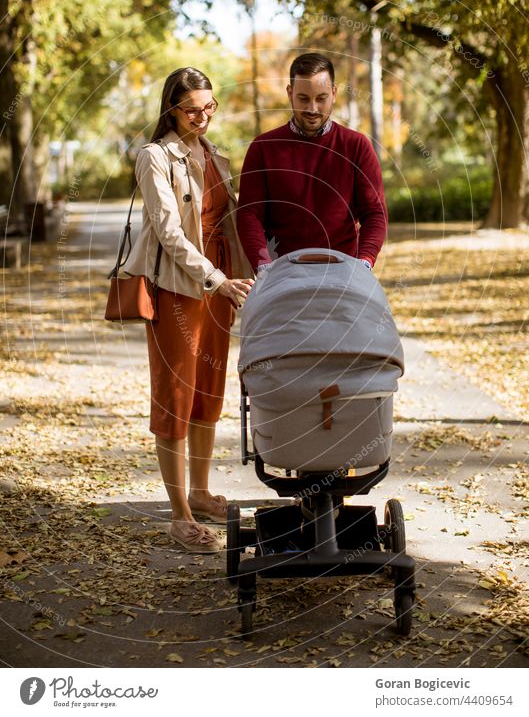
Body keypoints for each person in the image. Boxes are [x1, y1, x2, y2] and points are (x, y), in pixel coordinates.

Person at [123, 67, 254, 553]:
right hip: (179, 288)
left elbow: (234, 218)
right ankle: (178, 516)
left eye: (209, 107)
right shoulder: (154, 157)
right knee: (174, 400)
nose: (203, 117)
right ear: (170, 109)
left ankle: (199, 493)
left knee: (206, 394)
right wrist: (216, 279)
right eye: (192, 109)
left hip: (220, 288)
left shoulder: (215, 154)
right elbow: (167, 231)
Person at [236, 52, 387, 273]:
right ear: (290, 93)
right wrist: (263, 266)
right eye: (304, 98)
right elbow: (249, 214)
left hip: (344, 271)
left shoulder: (357, 146)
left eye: (321, 98)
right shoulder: (263, 147)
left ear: (334, 93)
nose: (313, 109)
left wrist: (364, 262)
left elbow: (375, 212)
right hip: (281, 273)